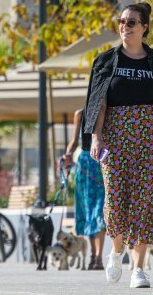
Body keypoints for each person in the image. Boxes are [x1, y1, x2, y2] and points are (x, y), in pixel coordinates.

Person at [82, 2, 153, 289]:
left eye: (131, 22)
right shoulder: (105, 61)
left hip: (152, 137)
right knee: (115, 201)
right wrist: (96, 136)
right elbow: (98, 101)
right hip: (115, 137)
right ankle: (117, 252)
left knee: (146, 201)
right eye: (121, 21)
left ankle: (138, 268)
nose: (124, 26)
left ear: (144, 27)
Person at [62, 108, 106, 270]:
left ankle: (99, 257)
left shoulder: (108, 111)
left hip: (102, 163)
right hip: (84, 166)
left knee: (100, 211)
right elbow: (74, 142)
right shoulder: (80, 114)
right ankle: (93, 255)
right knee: (87, 212)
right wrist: (67, 155)